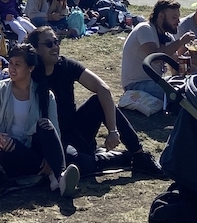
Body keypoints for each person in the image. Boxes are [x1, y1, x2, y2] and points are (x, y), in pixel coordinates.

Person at [30, 25, 164, 179]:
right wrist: (49, 151)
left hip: (75, 130)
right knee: (79, 165)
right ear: (35, 49)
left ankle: (139, 155)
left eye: (56, 41)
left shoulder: (66, 65)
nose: (55, 47)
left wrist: (113, 131)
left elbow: (103, 89)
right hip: (52, 137)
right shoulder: (29, 74)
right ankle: (119, 158)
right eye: (48, 44)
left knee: (99, 100)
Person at [0, 43, 80, 197]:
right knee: (5, 144)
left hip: (34, 149)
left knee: (45, 124)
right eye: (10, 63)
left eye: (18, 64)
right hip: (10, 152)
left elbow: (55, 131)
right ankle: (51, 175)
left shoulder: (45, 95)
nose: (12, 69)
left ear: (31, 68)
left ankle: (59, 175)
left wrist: (51, 157)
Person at [120, 0, 195, 95]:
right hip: (135, 84)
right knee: (178, 94)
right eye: (174, 18)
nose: (178, 22)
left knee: (189, 87)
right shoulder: (145, 29)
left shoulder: (167, 37)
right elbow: (154, 57)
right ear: (161, 16)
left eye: (178, 18)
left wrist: (189, 55)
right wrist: (180, 42)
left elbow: (175, 67)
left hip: (154, 82)